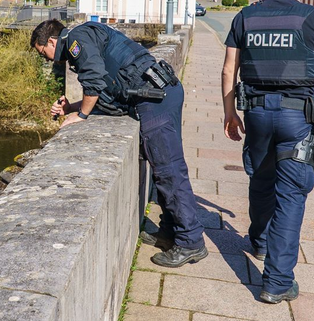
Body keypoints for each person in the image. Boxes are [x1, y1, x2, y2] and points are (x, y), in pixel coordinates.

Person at [221, 0, 314, 304]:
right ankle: (276, 282)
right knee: (290, 196)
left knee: (261, 179)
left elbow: (230, 70)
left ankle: (258, 242)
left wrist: (230, 113)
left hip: (257, 114)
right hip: (297, 118)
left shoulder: (245, 17)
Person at [31, 19, 207, 268]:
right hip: (156, 95)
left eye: (43, 53)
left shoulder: (75, 40)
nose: (47, 59)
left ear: (51, 41)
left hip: (155, 99)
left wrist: (80, 116)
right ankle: (171, 231)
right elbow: (106, 94)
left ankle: (191, 242)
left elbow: (93, 80)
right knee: (162, 171)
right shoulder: (84, 36)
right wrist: (71, 107)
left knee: (169, 172)